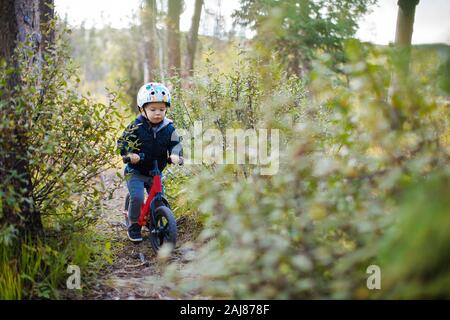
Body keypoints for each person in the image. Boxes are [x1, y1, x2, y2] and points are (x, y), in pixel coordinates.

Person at [117, 82, 182, 242]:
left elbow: (176, 144)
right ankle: (133, 224)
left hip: (155, 172)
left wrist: (175, 155)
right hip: (136, 171)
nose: (158, 113)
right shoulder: (136, 126)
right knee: (138, 197)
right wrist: (130, 154)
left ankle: (157, 220)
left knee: (159, 198)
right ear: (142, 109)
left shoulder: (168, 128)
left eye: (162, 109)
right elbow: (123, 142)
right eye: (153, 109)